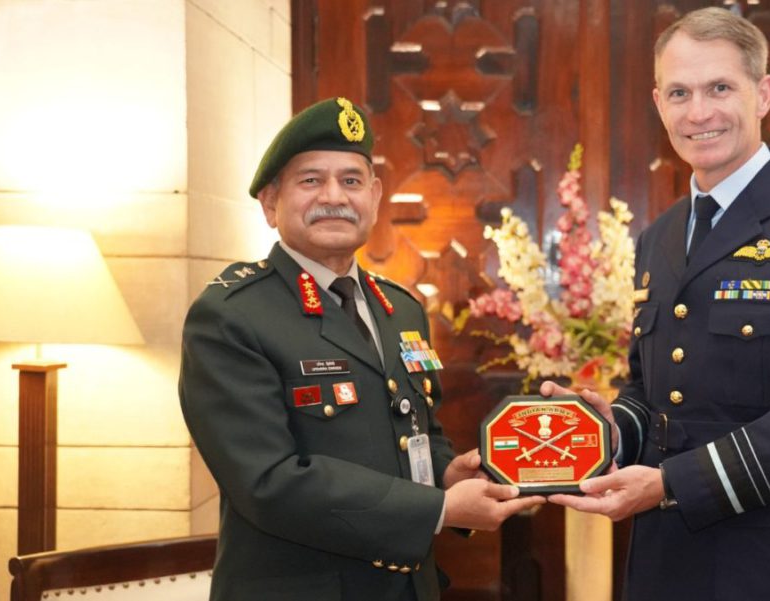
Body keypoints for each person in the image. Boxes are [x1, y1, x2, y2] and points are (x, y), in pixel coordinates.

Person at [546, 7, 770, 600]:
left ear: (763, 94)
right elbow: (653, 392)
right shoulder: (659, 236)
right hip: (662, 563)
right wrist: (612, 427)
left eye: (720, 88)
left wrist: (670, 483)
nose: (698, 112)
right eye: (679, 92)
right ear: (658, 104)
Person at [179, 97, 544, 601]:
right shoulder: (231, 316)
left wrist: (445, 471)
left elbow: (414, 430)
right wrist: (438, 510)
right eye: (311, 180)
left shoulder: (401, 309)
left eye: (351, 180)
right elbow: (268, 482)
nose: (334, 196)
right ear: (270, 202)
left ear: (373, 197)